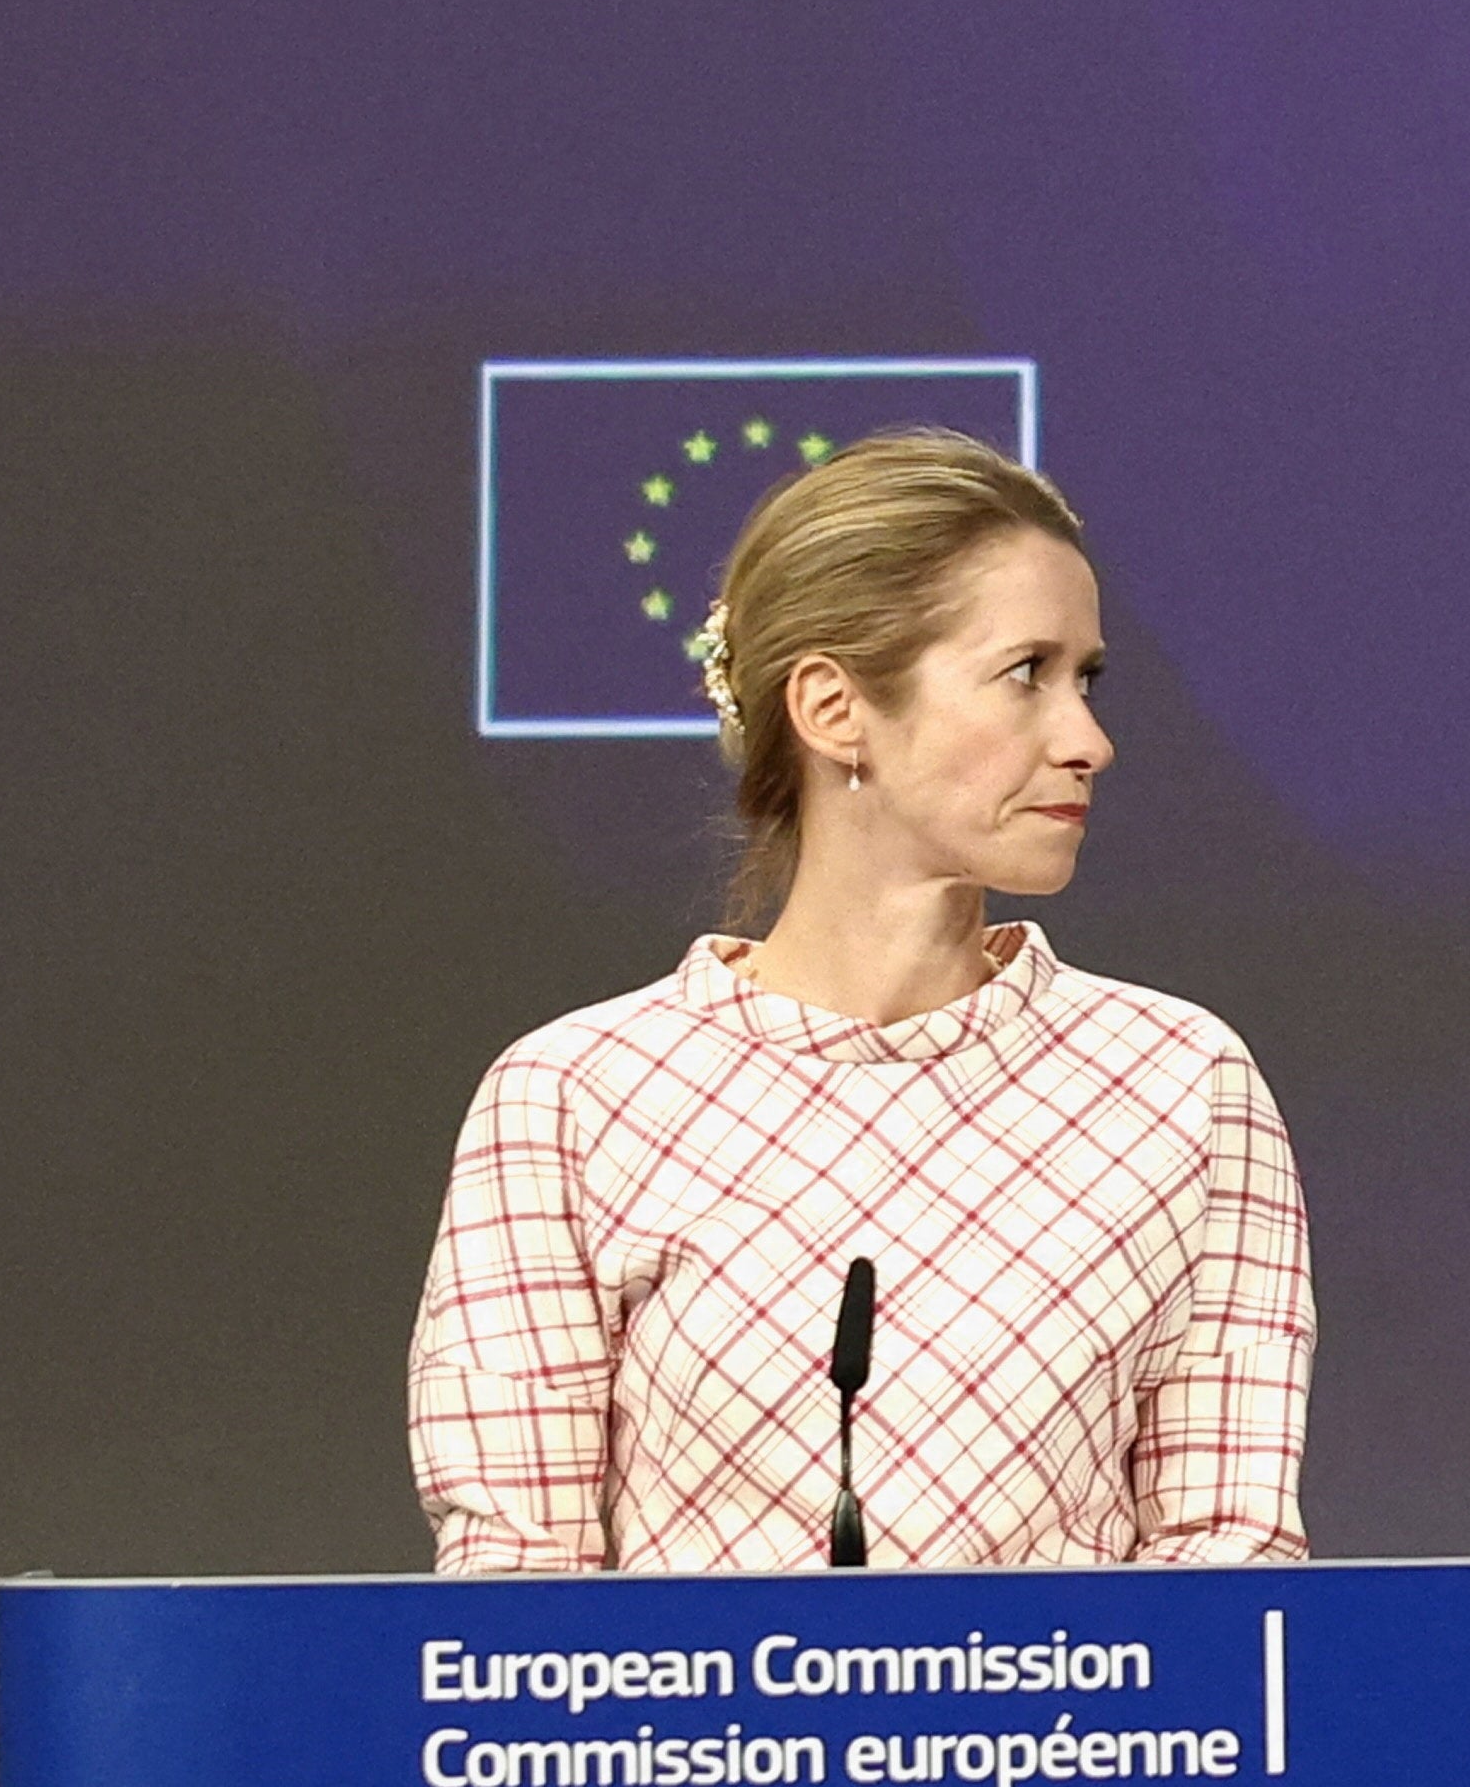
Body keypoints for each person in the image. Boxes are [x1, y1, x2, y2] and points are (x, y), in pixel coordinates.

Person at [407, 430, 1314, 1570]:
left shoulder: (1179, 1085)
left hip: (1072, 1742)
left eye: (1087, 679)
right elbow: (517, 1595)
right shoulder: (573, 1101)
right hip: (692, 1745)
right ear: (835, 710)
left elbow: (1227, 1562)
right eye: (1025, 673)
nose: (1089, 740)